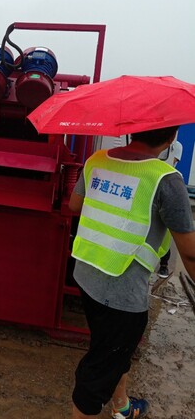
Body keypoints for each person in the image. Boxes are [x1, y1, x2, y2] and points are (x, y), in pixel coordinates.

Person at [68, 126, 195, 419]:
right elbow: (188, 252)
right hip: (122, 294)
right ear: (171, 138)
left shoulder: (96, 160)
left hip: (88, 277)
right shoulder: (166, 180)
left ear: (130, 131)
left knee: (113, 350)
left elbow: (75, 204)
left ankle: (123, 407)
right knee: (98, 370)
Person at [157, 139, 184, 278]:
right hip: (156, 179)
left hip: (166, 182)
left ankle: (164, 265)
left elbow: (171, 162)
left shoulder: (177, 146)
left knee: (165, 237)